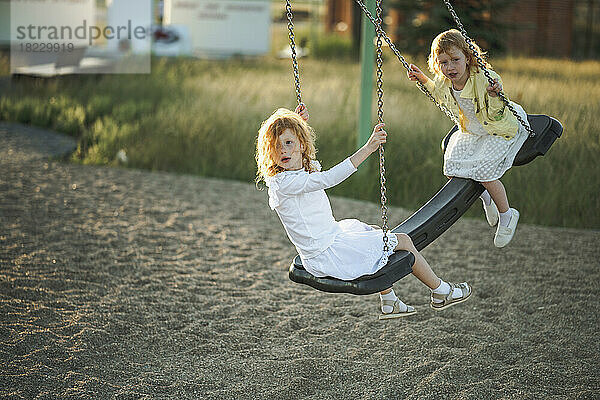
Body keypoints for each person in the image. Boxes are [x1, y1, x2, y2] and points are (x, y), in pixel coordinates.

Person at [255, 104, 471, 319]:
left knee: (375, 231)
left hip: (332, 238)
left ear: (302, 145)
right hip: (326, 253)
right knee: (403, 241)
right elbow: (328, 178)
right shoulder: (284, 182)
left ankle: (389, 302)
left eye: (289, 142)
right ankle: (441, 292)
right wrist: (368, 148)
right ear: (269, 153)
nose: (283, 150)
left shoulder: (297, 171)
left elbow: (304, 164)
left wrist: (300, 123)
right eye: (275, 146)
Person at [407, 29, 527, 247]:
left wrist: (495, 95)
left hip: (496, 128)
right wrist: (423, 79)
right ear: (437, 63)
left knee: (484, 171)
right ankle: (487, 197)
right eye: (443, 62)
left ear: (468, 58)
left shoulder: (485, 79)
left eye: (455, 60)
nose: (450, 67)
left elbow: (498, 112)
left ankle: (507, 214)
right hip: (471, 130)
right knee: (453, 168)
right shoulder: (444, 81)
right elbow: (438, 93)